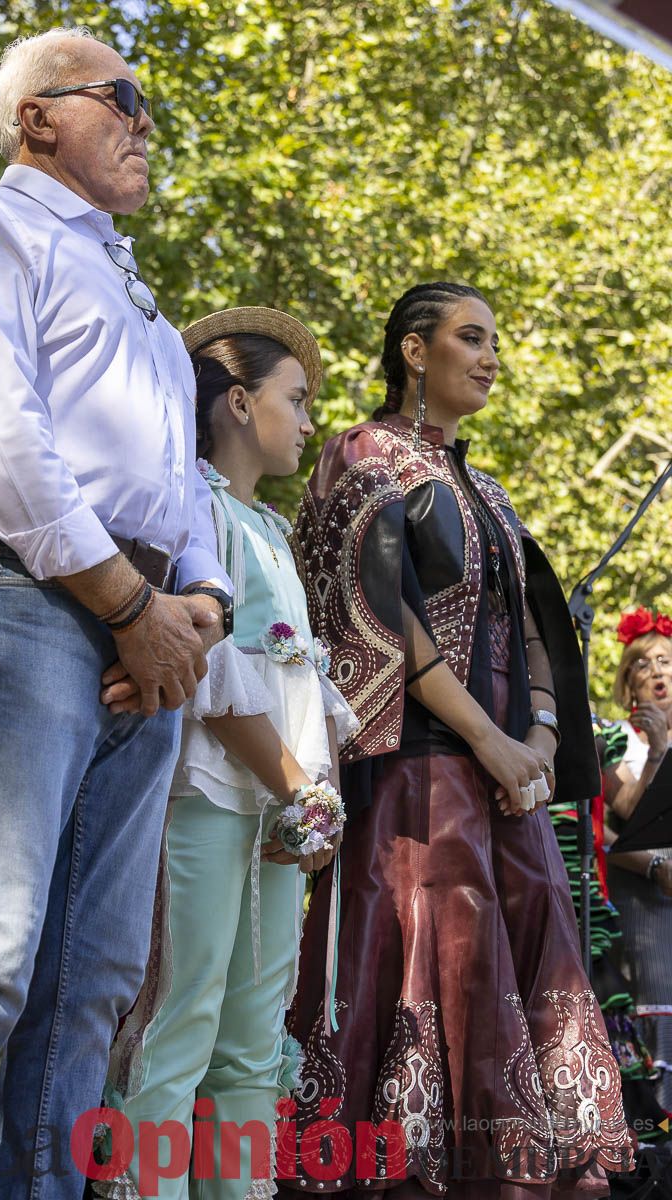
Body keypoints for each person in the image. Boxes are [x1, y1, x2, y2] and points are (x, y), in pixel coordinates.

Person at [0, 27, 232, 1200]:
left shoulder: (137, 298)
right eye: (123, 97)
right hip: (26, 600)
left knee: (96, 974)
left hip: (150, 633)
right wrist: (132, 605)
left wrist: (198, 611)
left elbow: (187, 493)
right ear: (37, 117)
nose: (146, 122)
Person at [277, 283, 633, 1198]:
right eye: (470, 338)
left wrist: (543, 737)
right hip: (418, 772)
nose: (490, 356)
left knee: (529, 958)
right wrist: (490, 741)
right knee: (437, 953)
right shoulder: (364, 454)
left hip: (509, 776)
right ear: (411, 351)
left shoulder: (491, 487)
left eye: (495, 342)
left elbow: (534, 628)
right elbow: (379, 613)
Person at [95, 307, 359, 1200]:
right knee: (184, 1012)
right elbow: (208, 676)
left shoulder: (274, 533)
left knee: (254, 1038)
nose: (312, 417)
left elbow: (299, 685)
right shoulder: (194, 511)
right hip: (208, 798)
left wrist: (310, 799)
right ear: (239, 403)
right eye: (299, 397)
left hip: (282, 815)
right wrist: (298, 788)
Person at [604, 607, 672, 1110]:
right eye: (643, 664)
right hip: (644, 899)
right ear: (629, 682)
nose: (657, 672)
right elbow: (618, 816)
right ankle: (656, 1129)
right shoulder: (617, 739)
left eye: (666, 661)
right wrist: (657, 750)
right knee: (655, 1005)